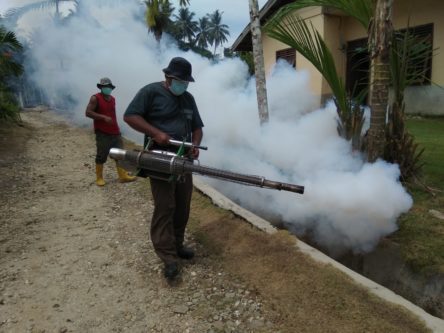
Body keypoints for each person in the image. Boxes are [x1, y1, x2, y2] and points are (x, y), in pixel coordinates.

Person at [124, 57, 204, 280]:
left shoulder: (188, 98)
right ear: (168, 78)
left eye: (186, 82)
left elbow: (197, 127)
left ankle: (177, 245)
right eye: (180, 81)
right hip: (158, 157)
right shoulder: (150, 92)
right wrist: (155, 132)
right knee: (165, 205)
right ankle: (168, 257)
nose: (183, 85)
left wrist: (195, 145)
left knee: (182, 205)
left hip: (183, 159)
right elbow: (130, 116)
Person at [85, 77, 136, 186]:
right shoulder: (95, 98)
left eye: (109, 87)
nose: (107, 88)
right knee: (101, 155)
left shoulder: (112, 99)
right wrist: (103, 117)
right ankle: (99, 178)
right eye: (105, 87)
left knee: (120, 154)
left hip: (115, 131)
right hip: (102, 132)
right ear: (101, 87)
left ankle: (122, 176)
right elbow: (88, 112)